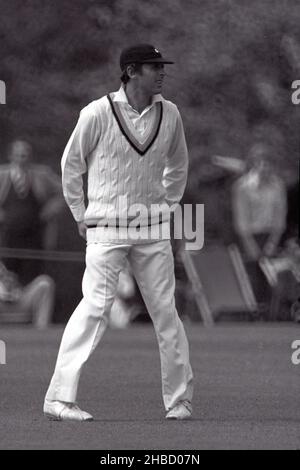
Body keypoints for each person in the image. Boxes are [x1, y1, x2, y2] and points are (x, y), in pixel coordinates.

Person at [43, 44, 193, 422]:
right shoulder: (96, 112)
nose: (161, 72)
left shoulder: (170, 113)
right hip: (105, 229)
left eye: (162, 66)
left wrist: (168, 206)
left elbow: (178, 164)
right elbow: (70, 164)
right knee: (95, 308)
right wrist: (80, 212)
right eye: (153, 66)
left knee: (165, 314)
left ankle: (179, 401)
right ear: (130, 71)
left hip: (153, 230)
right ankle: (59, 399)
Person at [232, 143, 287, 315]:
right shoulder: (242, 186)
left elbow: (280, 216)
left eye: (268, 163)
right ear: (254, 164)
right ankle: (253, 312)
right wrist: (250, 244)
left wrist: (272, 242)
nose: (265, 167)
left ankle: (271, 313)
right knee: (252, 274)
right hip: (249, 235)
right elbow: (241, 218)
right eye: (261, 162)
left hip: (271, 235)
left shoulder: (278, 186)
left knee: (270, 275)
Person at [0, 140, 65, 282]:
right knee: (6, 277)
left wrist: (50, 209)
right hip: (6, 237)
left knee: (33, 277)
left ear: (30, 156)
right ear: (11, 155)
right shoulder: (2, 174)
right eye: (18, 154)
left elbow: (64, 191)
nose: (21, 158)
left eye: (25, 155)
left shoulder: (42, 174)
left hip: (35, 237)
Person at [0, 261, 55, 329]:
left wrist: (16, 289)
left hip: (17, 303)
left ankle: (40, 333)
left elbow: (10, 280)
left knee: (45, 284)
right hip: (2, 307)